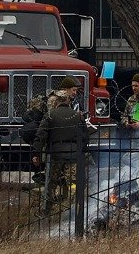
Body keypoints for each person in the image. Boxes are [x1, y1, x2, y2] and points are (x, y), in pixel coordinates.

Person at [32, 82, 93, 218]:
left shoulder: (50, 115)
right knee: (75, 183)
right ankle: (77, 210)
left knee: (50, 184)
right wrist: (80, 151)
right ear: (68, 100)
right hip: (73, 155)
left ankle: (46, 211)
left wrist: (36, 153)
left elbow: (41, 135)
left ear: (57, 101)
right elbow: (84, 137)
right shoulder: (78, 116)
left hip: (55, 155)